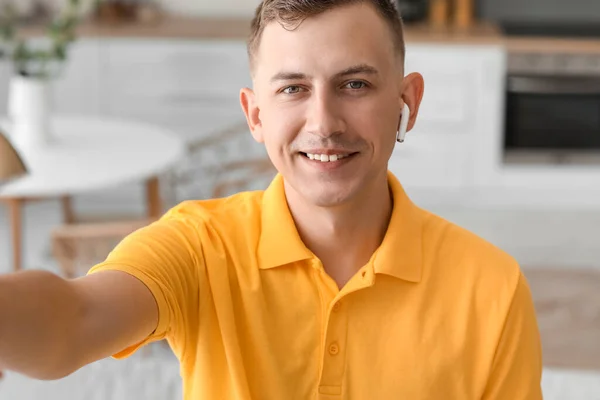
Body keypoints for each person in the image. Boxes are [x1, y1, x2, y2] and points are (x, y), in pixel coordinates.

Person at [0, 0, 543, 398]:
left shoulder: (491, 286)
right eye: (293, 89)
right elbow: (73, 320)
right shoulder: (199, 245)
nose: (324, 123)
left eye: (354, 84)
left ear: (408, 101)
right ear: (255, 114)